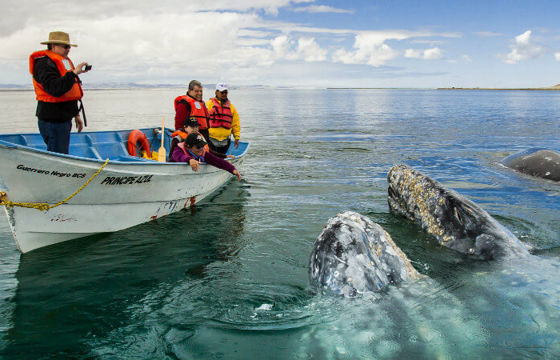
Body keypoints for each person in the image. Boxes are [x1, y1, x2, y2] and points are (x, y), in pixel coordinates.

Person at [29, 31, 90, 154]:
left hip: (63, 118)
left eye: (69, 47)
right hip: (52, 120)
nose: (68, 50)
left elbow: (68, 91)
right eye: (65, 47)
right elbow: (54, 89)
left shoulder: (63, 62)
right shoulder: (44, 64)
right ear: (53, 46)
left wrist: (76, 114)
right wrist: (73, 73)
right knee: (58, 156)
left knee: (61, 153)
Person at [169, 132, 242, 181]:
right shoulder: (178, 150)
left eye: (202, 146)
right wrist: (190, 160)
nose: (201, 149)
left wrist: (232, 169)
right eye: (198, 147)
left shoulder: (202, 152)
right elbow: (180, 157)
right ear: (188, 146)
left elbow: (217, 161)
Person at [206, 83, 241, 155]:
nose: (224, 94)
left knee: (221, 159)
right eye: (222, 92)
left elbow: (235, 123)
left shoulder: (231, 107)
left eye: (225, 92)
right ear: (216, 92)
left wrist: (236, 137)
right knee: (213, 158)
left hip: (225, 141)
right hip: (211, 139)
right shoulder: (208, 104)